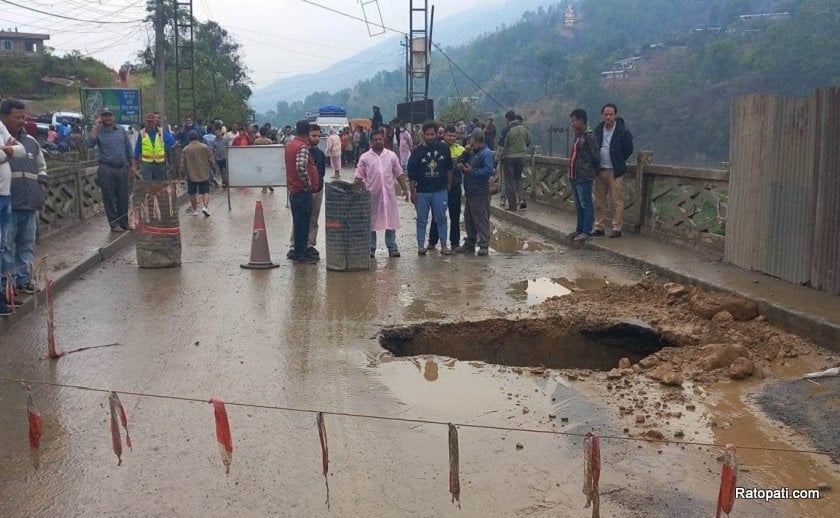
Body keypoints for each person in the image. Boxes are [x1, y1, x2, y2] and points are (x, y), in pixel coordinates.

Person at [1, 99, 46, 296]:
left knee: (27, 246)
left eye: (23, 116)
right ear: (4, 117)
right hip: (9, 203)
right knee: (7, 248)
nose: (22, 120)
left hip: (30, 203)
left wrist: (41, 188)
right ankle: (8, 287)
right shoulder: (2, 141)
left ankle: (24, 280)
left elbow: (42, 167)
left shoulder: (31, 142)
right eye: (16, 117)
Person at [355, 130, 408, 258]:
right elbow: (358, 177)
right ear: (371, 142)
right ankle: (370, 248)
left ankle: (392, 247)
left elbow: (399, 173)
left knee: (390, 220)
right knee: (370, 221)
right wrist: (356, 194)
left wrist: (405, 189)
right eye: (375, 139)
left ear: (383, 140)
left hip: (388, 195)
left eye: (380, 139)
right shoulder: (365, 157)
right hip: (371, 195)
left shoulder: (391, 156)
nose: (378, 141)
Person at [407, 121, 452, 256]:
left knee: (442, 218)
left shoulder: (444, 148)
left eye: (432, 134)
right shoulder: (417, 152)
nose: (430, 137)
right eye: (427, 134)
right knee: (421, 219)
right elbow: (412, 173)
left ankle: (444, 245)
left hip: (440, 189)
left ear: (437, 133)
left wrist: (449, 184)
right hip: (422, 191)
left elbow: (449, 167)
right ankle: (421, 245)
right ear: (423, 134)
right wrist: (412, 192)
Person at [88, 107, 135, 232]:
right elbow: (89, 144)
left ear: (113, 116)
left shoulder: (120, 130)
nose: (107, 117)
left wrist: (132, 165)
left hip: (121, 168)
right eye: (105, 115)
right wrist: (95, 127)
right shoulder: (98, 131)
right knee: (109, 197)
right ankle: (114, 224)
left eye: (109, 115)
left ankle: (124, 222)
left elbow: (128, 148)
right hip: (106, 168)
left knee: (123, 197)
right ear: (101, 117)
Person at [593, 103, 634, 238]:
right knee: (599, 201)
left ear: (615, 115)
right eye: (606, 114)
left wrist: (619, 160)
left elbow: (629, 148)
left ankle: (617, 227)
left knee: (616, 200)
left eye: (611, 114)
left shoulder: (622, 131)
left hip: (615, 171)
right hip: (600, 170)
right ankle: (599, 226)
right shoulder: (598, 129)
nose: (608, 117)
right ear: (602, 115)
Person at [284, 120, 320, 264]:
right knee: (303, 224)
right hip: (302, 191)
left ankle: (297, 251)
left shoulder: (289, 145)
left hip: (293, 190)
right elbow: (300, 167)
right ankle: (301, 253)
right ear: (307, 132)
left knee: (298, 222)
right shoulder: (302, 147)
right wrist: (308, 184)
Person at [456, 130, 495, 256]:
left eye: (471, 138)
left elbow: (488, 171)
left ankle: (484, 244)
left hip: (480, 191)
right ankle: (470, 242)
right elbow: (460, 162)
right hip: (470, 191)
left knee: (481, 218)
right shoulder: (472, 152)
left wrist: (472, 172)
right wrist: (466, 152)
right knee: (469, 218)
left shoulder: (486, 154)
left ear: (476, 139)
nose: (469, 140)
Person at [428, 125, 465, 250]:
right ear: (444, 135)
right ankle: (432, 241)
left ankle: (455, 243)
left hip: (455, 187)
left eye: (454, 136)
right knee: (437, 215)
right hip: (440, 187)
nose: (452, 138)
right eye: (449, 135)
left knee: (455, 216)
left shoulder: (461, 150)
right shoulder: (437, 148)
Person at [569, 108, 600, 241]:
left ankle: (586, 231)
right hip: (575, 175)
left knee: (586, 203)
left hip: (584, 176)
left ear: (582, 120)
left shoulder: (590, 136)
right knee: (579, 204)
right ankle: (579, 229)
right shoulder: (578, 135)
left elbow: (596, 156)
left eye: (574, 121)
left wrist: (592, 171)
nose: (572, 123)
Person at [179, 131, 217, 217]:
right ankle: (205, 207)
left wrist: (181, 173)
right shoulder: (205, 147)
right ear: (198, 137)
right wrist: (214, 168)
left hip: (191, 175)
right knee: (206, 191)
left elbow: (182, 163)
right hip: (204, 173)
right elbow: (211, 159)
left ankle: (195, 210)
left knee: (192, 193)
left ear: (189, 138)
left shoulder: (185, 149)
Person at [498, 110, 530, 211]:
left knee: (509, 181)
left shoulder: (506, 130)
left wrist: (498, 158)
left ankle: (512, 206)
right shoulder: (524, 129)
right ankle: (522, 199)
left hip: (509, 158)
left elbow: (501, 146)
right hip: (521, 157)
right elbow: (528, 141)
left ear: (507, 119)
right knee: (518, 179)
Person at [135, 112, 175, 181]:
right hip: (147, 164)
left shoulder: (161, 132)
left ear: (155, 122)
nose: (150, 123)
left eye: (152, 121)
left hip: (159, 164)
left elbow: (172, 141)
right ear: (146, 122)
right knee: (148, 185)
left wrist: (164, 148)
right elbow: (137, 148)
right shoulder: (142, 133)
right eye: (148, 121)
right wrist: (136, 160)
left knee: (160, 185)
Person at [254, 127, 275, 193]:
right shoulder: (269, 141)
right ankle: (269, 184)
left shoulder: (256, 140)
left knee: (262, 174)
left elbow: (254, 150)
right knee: (268, 172)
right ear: (266, 133)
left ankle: (264, 188)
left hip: (259, 159)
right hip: (267, 159)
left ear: (260, 132)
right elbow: (271, 151)